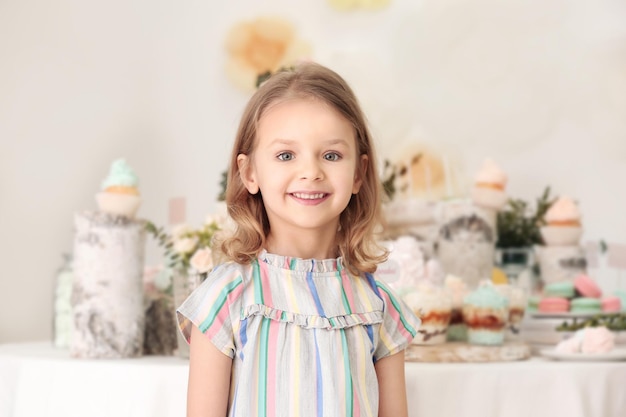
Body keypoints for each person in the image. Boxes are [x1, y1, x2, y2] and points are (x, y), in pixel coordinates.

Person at [177, 61, 421, 417]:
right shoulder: (226, 299)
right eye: (286, 155)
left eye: (332, 155)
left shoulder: (378, 306)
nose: (311, 172)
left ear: (359, 174)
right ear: (249, 173)